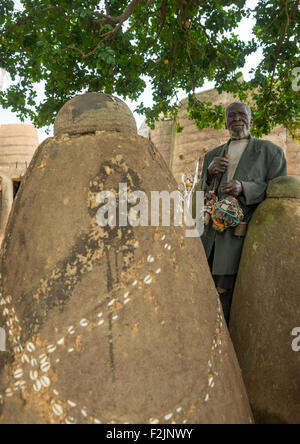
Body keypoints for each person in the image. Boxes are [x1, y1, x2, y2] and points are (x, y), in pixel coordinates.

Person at [193, 102, 287, 324]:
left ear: (250, 120)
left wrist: (244, 188)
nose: (236, 118)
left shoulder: (270, 152)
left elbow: (279, 193)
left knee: (231, 300)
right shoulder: (212, 155)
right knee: (205, 294)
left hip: (243, 240)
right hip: (210, 240)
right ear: (225, 122)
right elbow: (201, 197)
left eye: (241, 114)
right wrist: (208, 174)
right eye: (231, 115)